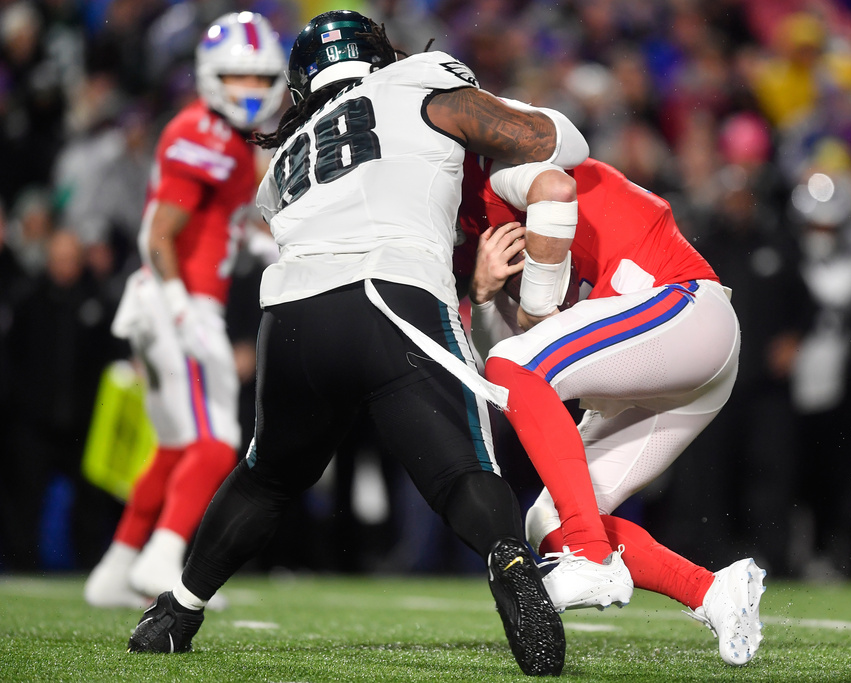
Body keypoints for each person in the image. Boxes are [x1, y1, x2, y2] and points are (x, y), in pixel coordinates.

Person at [125, 10, 590, 677]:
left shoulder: (281, 156)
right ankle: (511, 561)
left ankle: (176, 609)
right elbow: (549, 140)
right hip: (390, 292)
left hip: (289, 317)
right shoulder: (415, 81)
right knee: (460, 469)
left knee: (267, 474)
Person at [456, 155, 766, 666]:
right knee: (547, 519)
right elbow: (510, 371)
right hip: (668, 363)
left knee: (517, 368)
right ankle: (715, 593)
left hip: (686, 307)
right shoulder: (495, 228)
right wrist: (485, 298)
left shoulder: (513, 173)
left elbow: (557, 143)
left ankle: (591, 556)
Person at [83, 11, 287, 608]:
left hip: (171, 300)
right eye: (236, 78)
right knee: (218, 440)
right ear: (207, 75)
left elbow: (214, 219)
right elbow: (157, 232)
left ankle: (115, 570)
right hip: (177, 300)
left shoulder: (221, 134)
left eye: (258, 80)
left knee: (176, 445)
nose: (249, 91)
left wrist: (247, 238)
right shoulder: (202, 131)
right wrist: (182, 308)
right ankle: (165, 561)